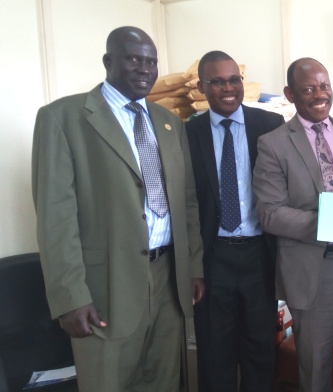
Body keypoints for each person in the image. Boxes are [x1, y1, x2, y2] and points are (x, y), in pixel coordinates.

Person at [31, 26, 204, 391]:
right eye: (134, 59)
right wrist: (69, 297)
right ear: (109, 61)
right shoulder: (63, 118)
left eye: (152, 61)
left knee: (163, 381)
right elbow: (55, 217)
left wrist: (194, 267)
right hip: (105, 286)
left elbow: (186, 201)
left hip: (168, 280)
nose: (145, 68)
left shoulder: (170, 123)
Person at [252, 57, 333, 392]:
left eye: (324, 86)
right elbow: (270, 213)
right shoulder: (273, 144)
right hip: (313, 271)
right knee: (314, 372)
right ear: (290, 93)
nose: (319, 94)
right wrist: (329, 222)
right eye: (308, 88)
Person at [185, 50, 285, 392]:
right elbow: (185, 203)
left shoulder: (269, 126)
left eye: (234, 80)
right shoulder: (188, 134)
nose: (228, 88)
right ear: (201, 87)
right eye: (217, 82)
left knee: (260, 351)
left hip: (260, 255)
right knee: (215, 354)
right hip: (214, 259)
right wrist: (193, 267)